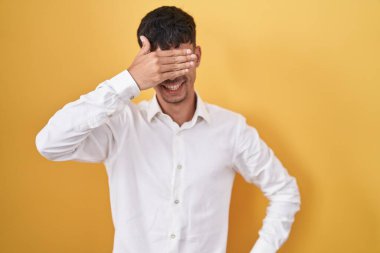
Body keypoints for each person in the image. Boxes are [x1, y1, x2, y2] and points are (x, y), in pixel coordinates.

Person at [35, 5, 301, 253]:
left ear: (196, 56)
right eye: (162, 65)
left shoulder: (232, 130)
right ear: (145, 65)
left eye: (180, 61)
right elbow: (49, 144)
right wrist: (129, 81)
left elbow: (285, 192)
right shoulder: (121, 124)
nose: (172, 76)